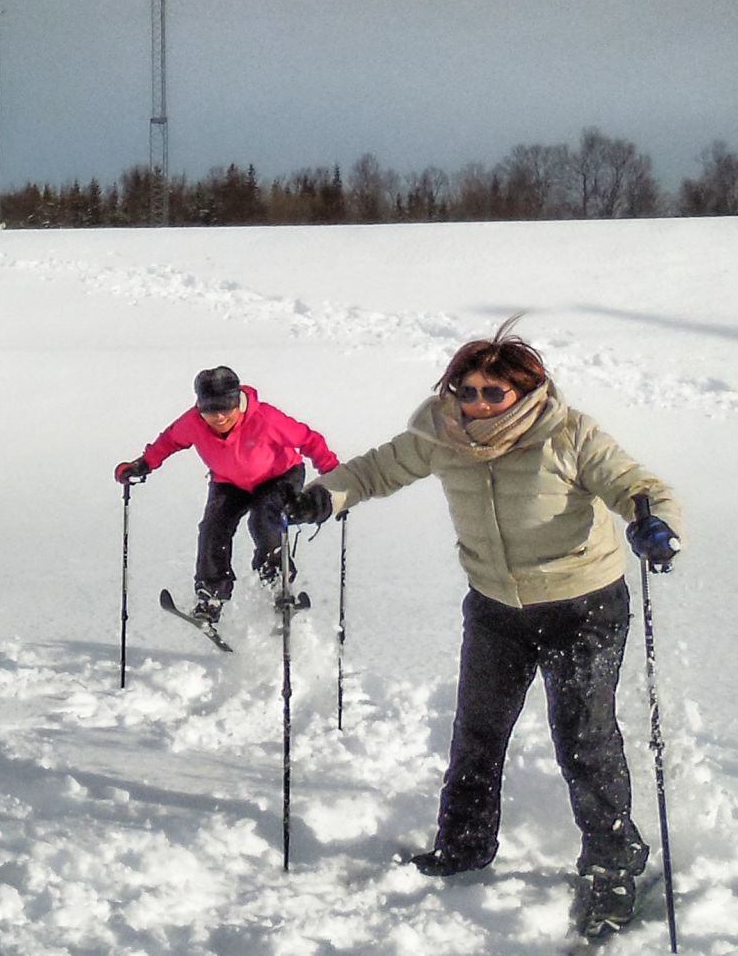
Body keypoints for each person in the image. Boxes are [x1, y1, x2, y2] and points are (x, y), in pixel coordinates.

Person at [282, 321, 681, 939]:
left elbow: (637, 487)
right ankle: (465, 843)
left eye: (493, 392)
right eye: (466, 390)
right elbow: (370, 472)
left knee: (584, 735)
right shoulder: (441, 435)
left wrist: (652, 523)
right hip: (495, 606)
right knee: (477, 730)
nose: (477, 403)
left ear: (525, 391)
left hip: (583, 605)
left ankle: (613, 863)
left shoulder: (568, 434)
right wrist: (321, 498)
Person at [115, 365, 338, 623]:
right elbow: (170, 441)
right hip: (229, 481)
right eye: (210, 409)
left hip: (279, 476)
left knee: (264, 520)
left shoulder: (265, 418)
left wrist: (334, 477)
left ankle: (278, 585)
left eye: (225, 408)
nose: (219, 416)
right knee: (213, 527)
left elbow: (309, 440)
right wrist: (143, 464)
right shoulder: (193, 422)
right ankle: (211, 596)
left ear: (237, 402)